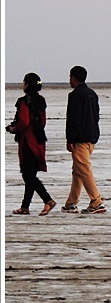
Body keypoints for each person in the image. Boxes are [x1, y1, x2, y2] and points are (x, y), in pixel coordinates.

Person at [8, 73, 57, 216]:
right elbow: (42, 122)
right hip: (39, 141)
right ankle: (25, 207)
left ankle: (48, 200)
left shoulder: (24, 102)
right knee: (30, 175)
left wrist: (13, 128)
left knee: (28, 175)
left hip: (28, 142)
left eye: (24, 82)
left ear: (28, 84)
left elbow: (24, 122)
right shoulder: (41, 101)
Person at [62, 66, 107, 214]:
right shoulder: (92, 94)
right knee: (78, 171)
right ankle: (71, 202)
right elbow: (96, 116)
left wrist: (70, 140)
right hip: (91, 137)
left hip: (80, 139)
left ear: (73, 78)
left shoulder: (75, 95)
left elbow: (73, 119)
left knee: (84, 170)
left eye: (70, 77)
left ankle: (96, 201)